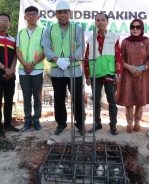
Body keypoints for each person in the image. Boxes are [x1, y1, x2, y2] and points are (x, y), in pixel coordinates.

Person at [42, 1, 84, 136]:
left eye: (65, 12)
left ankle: (80, 124)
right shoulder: (49, 29)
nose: (62, 15)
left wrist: (71, 58)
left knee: (77, 98)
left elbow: (81, 47)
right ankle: (61, 124)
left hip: (74, 69)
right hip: (57, 70)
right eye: (60, 13)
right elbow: (46, 46)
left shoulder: (77, 28)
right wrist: (56, 59)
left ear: (69, 13)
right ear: (56, 14)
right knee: (59, 98)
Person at [84, 13, 122, 135]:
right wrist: (87, 75)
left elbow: (118, 56)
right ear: (95, 22)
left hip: (109, 74)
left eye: (102, 20)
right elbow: (86, 58)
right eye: (98, 20)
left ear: (107, 22)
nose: (100, 22)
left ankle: (113, 125)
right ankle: (97, 123)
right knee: (95, 100)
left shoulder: (114, 37)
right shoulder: (90, 40)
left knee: (111, 101)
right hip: (95, 74)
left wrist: (118, 73)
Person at [116, 19, 149, 133]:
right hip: (128, 74)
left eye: (138, 27)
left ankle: (137, 122)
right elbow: (120, 58)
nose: (135, 29)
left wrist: (140, 68)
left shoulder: (147, 41)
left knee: (140, 99)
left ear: (142, 28)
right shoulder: (125, 42)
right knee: (128, 99)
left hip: (142, 75)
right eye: (133, 27)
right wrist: (130, 67)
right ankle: (129, 123)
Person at [16, 6, 45, 131]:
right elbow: (17, 49)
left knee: (37, 96)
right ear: (25, 17)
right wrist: (24, 64)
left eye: (34, 14)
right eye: (29, 14)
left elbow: (45, 50)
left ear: (38, 17)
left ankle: (37, 120)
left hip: (37, 69)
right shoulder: (20, 32)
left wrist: (32, 64)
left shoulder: (43, 31)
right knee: (26, 96)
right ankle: (27, 121)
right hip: (23, 70)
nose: (31, 16)